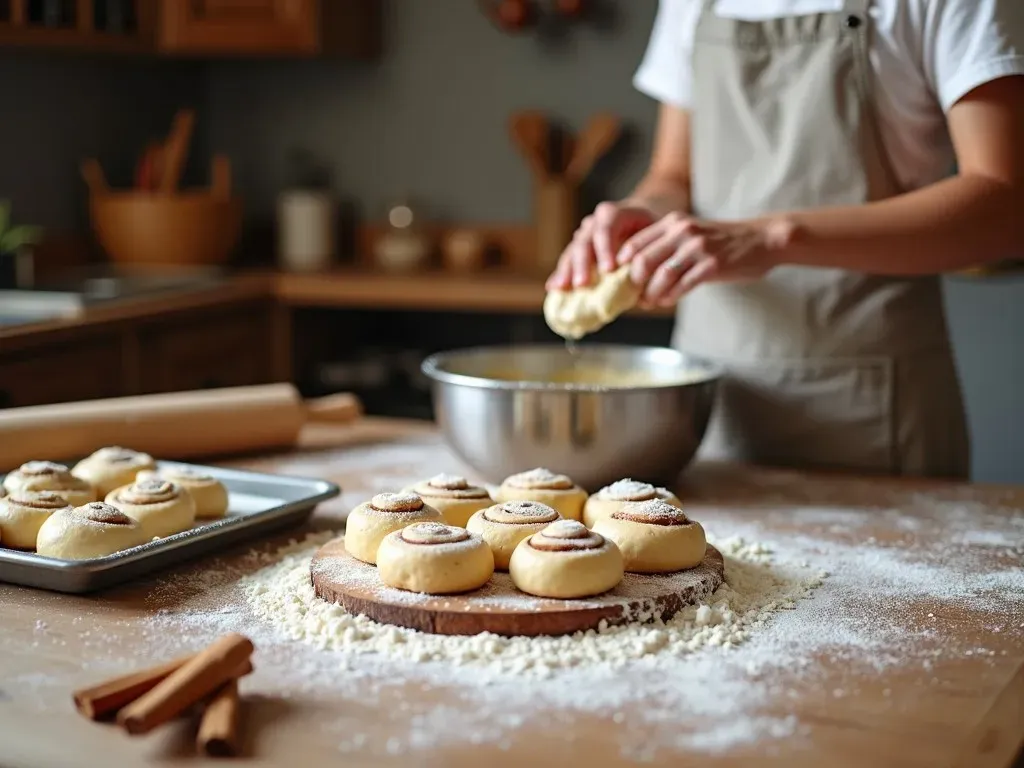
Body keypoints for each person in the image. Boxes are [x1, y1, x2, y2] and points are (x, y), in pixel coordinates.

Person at [547, 0, 1024, 480]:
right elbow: (673, 174)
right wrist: (645, 212)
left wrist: (772, 238)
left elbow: (1006, 205)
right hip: (711, 407)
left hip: (874, 416)